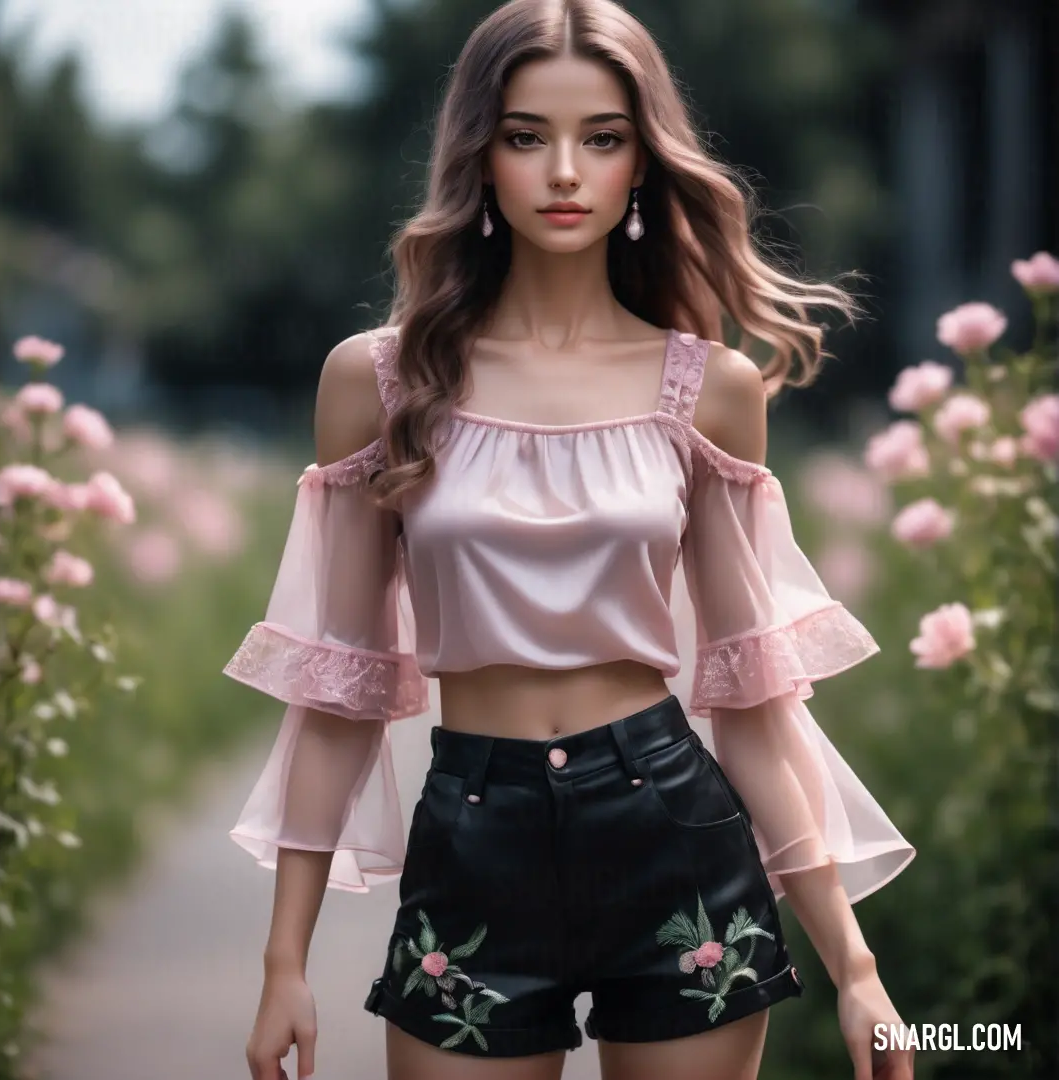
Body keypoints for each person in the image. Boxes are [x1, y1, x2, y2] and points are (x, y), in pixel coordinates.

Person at [230, 2, 916, 1078]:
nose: (563, 170)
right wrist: (283, 963)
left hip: (674, 842)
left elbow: (754, 695)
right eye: (524, 136)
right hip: (471, 843)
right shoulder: (378, 380)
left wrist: (857, 965)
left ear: (643, 161)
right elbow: (339, 693)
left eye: (601, 137)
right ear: (480, 157)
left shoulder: (710, 391)